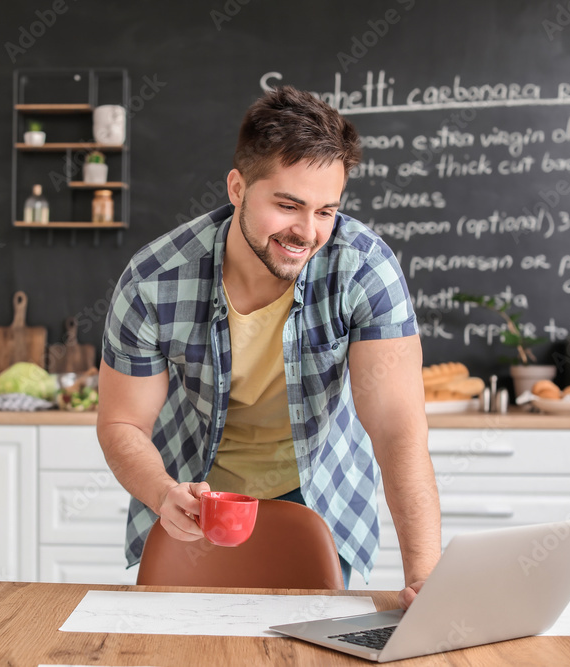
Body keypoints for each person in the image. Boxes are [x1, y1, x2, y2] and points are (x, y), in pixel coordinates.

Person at [97, 85, 440, 608]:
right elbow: (123, 423)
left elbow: (398, 427)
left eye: (326, 210)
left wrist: (426, 575)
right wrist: (163, 492)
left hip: (322, 493)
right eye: (288, 205)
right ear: (237, 187)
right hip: (194, 496)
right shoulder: (154, 281)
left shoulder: (365, 269)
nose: (307, 232)